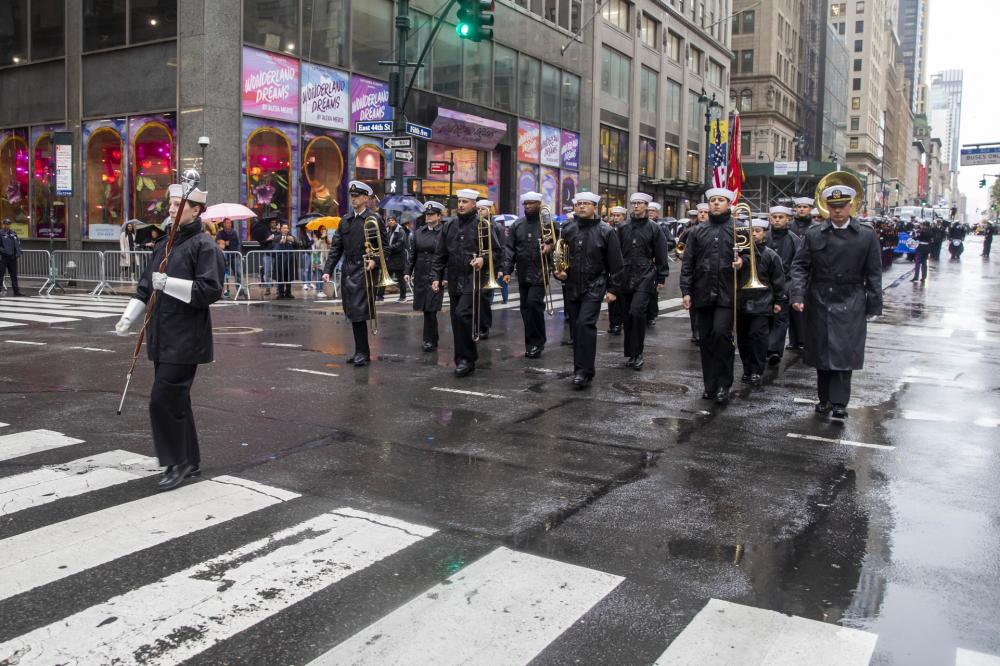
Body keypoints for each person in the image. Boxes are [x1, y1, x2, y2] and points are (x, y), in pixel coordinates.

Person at [113, 182, 224, 491]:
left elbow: (209, 290)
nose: (171, 209)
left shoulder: (205, 246)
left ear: (196, 209)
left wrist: (170, 284)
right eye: (171, 204)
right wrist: (128, 317)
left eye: (178, 205)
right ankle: (190, 459)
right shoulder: (164, 244)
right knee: (177, 400)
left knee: (163, 400)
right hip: (161, 334)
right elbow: (145, 288)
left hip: (187, 337)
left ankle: (177, 461)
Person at [791, 184, 882, 420]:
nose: (838, 211)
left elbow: (873, 271)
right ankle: (824, 399)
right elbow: (800, 266)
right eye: (833, 207)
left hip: (850, 297)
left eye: (842, 207)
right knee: (822, 351)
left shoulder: (866, 234)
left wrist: (874, 304)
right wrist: (798, 295)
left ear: (850, 206)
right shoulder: (814, 233)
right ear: (827, 207)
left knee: (844, 352)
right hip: (820, 296)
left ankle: (840, 402)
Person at [553, 192, 623, 388]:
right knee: (576, 329)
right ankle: (581, 370)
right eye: (578, 204)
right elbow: (560, 258)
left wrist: (613, 289)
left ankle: (583, 372)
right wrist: (558, 272)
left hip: (595, 285)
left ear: (595, 207)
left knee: (585, 325)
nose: (581, 207)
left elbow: (616, 264)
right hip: (572, 285)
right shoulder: (568, 229)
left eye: (586, 204)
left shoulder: (606, 231)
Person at [431, 189, 502, 377]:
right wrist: (435, 277)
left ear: (474, 205)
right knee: (457, 320)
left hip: (474, 278)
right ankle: (463, 358)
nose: (460, 205)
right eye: (459, 201)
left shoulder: (483, 225)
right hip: (455, 278)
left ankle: (466, 359)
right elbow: (440, 254)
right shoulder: (449, 226)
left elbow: (496, 252)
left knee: (463, 315)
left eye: (465, 202)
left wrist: (483, 260)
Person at [680, 187, 741, 404]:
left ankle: (724, 384)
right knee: (705, 339)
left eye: (721, 200)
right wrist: (686, 291)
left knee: (721, 335)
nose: (716, 203)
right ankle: (710, 384)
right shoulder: (697, 232)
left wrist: (743, 262)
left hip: (727, 294)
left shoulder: (738, 229)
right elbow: (688, 263)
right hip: (702, 292)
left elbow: (754, 259)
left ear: (729, 204)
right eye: (713, 200)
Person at [322, 181, 387, 367]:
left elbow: (384, 247)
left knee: (359, 312)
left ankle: (362, 353)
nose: (354, 199)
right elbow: (336, 248)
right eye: (352, 196)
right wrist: (328, 269)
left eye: (357, 196)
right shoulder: (346, 220)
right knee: (351, 312)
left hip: (365, 269)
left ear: (366, 198)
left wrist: (375, 260)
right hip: (348, 270)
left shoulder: (374, 219)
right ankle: (360, 351)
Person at [617, 192, 669, 370]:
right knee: (626, 316)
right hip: (625, 275)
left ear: (647, 206)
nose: (636, 206)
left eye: (640, 203)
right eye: (634, 203)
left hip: (645, 275)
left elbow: (661, 254)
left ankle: (638, 353)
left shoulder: (655, 228)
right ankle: (631, 354)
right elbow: (615, 253)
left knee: (637, 311)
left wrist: (661, 276)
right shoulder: (623, 227)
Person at [502, 192, 552, 359]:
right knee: (525, 310)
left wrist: (550, 246)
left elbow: (558, 244)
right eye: (525, 204)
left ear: (539, 204)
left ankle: (538, 342)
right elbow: (510, 249)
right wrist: (507, 271)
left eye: (531, 203)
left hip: (540, 272)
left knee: (534, 304)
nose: (527, 206)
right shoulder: (517, 225)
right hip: (522, 273)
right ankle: (531, 343)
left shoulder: (547, 223)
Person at [736, 218, 786, 386]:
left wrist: (779, 300)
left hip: (763, 302)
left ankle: (757, 371)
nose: (754, 234)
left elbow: (778, 280)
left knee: (758, 337)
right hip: (742, 301)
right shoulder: (740, 254)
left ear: (765, 233)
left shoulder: (771, 255)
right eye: (752, 231)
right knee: (743, 339)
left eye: (758, 231)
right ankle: (747, 369)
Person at [764, 205, 802, 366]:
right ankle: (765, 346)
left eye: (781, 217)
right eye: (775, 217)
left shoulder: (794, 240)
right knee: (766, 318)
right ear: (770, 218)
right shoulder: (764, 236)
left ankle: (774, 351)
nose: (777, 220)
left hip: (785, 283)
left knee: (781, 318)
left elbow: (799, 265)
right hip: (765, 284)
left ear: (788, 219)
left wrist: (793, 287)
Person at [407, 201, 447, 351]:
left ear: (439, 216)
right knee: (425, 309)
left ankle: (429, 340)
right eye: (427, 214)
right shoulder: (419, 232)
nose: (428, 217)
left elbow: (447, 256)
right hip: (421, 273)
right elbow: (413, 254)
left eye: (431, 214)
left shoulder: (444, 232)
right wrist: (407, 271)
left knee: (431, 308)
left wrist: (445, 276)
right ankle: (431, 338)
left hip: (435, 273)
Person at [474, 199, 500, 338]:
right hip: (477, 265)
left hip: (490, 267)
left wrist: (500, 268)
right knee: (476, 296)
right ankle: (477, 323)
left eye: (483, 209)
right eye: (478, 209)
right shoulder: (476, 224)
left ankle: (484, 326)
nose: (480, 212)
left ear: (490, 210)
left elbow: (500, 249)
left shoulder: (495, 226)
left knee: (485, 297)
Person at [606, 206, 627, 335]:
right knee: (612, 296)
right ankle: (614, 323)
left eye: (618, 216)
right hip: (612, 267)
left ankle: (618, 322)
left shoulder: (626, 229)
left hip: (624, 266)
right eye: (614, 215)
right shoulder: (610, 230)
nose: (616, 218)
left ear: (624, 216)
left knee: (620, 296)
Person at [381, 216, 407, 302]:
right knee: (385, 277)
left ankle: (403, 297)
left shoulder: (400, 231)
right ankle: (380, 296)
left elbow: (400, 244)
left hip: (399, 259)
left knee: (400, 278)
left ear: (396, 221)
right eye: (389, 220)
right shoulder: (389, 231)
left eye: (392, 220)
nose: (391, 222)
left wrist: (388, 248)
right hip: (390, 258)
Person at [250, 215, 277, 295]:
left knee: (277, 272)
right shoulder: (265, 231)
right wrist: (268, 239)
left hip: (277, 254)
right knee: (267, 271)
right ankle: (268, 288)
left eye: (275, 222)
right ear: (269, 224)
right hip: (268, 254)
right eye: (272, 222)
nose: (274, 224)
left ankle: (279, 289)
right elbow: (261, 243)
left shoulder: (278, 232)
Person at [215, 218, 242, 298]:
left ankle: (240, 290)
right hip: (224, 256)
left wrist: (237, 252)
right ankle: (226, 290)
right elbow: (217, 243)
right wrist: (224, 243)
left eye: (230, 223)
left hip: (234, 256)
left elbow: (238, 243)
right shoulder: (220, 233)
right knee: (225, 274)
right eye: (227, 223)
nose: (229, 224)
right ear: (224, 224)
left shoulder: (234, 232)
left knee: (238, 273)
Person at [272, 221, 298, 298]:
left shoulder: (291, 237)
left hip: (290, 259)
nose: (286, 229)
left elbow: (298, 245)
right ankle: (280, 292)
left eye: (287, 228)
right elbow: (273, 249)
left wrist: (294, 241)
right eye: (284, 228)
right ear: (281, 229)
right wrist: (280, 243)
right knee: (280, 276)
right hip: (280, 260)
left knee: (289, 276)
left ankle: (288, 292)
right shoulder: (277, 237)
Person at [0, 218, 24, 296]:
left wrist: (19, 251)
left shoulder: (13, 233)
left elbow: (18, 242)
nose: (7, 225)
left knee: (14, 275)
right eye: (6, 224)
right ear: (3, 224)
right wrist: (4, 251)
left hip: (13, 257)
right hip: (3, 257)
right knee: (1, 274)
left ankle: (16, 291)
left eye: (9, 224)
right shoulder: (1, 233)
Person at [310, 229, 329, 298]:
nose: (324, 230)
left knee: (322, 275)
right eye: (322, 229)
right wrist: (321, 238)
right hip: (318, 258)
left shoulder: (325, 239)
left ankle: (321, 290)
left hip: (324, 259)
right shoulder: (317, 238)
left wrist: (326, 238)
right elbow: (317, 246)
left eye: (325, 229)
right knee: (318, 275)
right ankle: (319, 290)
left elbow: (329, 246)